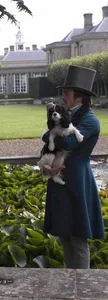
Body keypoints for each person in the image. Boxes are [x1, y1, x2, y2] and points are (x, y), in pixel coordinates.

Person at [41, 65, 105, 269]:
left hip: (77, 181)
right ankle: (70, 282)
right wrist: (46, 169)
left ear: (79, 97)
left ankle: (83, 285)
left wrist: (47, 134)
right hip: (60, 181)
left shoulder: (90, 120)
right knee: (64, 236)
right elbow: (50, 146)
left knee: (78, 238)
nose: (62, 96)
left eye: (66, 93)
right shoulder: (68, 116)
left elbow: (67, 143)